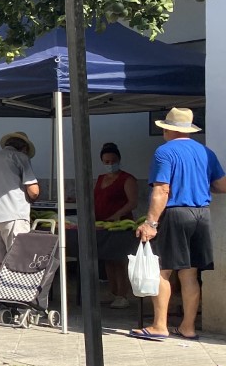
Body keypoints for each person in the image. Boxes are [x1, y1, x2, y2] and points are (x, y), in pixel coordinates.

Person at [130, 108, 226, 341]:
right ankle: (188, 327)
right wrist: (200, 186)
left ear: (169, 129)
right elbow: (222, 186)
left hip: (176, 214)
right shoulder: (206, 152)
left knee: (163, 271)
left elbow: (162, 189)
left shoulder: (164, 152)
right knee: (190, 273)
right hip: (201, 214)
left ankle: (160, 325)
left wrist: (150, 222)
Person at [0, 131, 40, 290]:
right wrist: (33, 199)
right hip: (13, 214)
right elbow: (33, 191)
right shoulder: (21, 158)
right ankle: (17, 296)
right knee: (18, 257)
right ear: (24, 148)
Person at [94, 142, 140, 309]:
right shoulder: (100, 179)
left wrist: (117, 215)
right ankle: (113, 292)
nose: (109, 164)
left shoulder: (127, 179)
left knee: (120, 260)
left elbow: (132, 202)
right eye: (106, 162)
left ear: (118, 160)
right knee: (108, 259)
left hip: (121, 225)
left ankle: (123, 294)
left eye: (112, 161)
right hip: (102, 223)